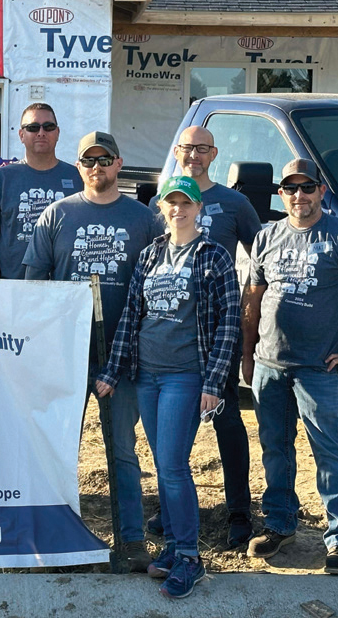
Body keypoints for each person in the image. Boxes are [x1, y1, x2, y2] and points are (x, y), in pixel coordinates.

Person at [97, 175, 240, 599]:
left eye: (186, 203)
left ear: (199, 208)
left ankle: (191, 558)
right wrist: (112, 371)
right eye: (171, 203)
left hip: (185, 376)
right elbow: (131, 317)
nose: (178, 209)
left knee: (175, 466)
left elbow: (229, 325)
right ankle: (175, 545)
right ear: (162, 207)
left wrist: (213, 381)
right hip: (147, 375)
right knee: (163, 465)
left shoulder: (214, 257)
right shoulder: (150, 254)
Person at [23, 131, 157, 573]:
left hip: (120, 358)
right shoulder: (57, 216)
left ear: (119, 164)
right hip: (65, 356)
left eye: (105, 159)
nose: (97, 167)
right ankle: (59, 539)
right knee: (61, 448)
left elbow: (158, 286)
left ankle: (132, 543)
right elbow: (33, 286)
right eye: (88, 160)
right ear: (78, 166)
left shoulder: (144, 220)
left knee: (122, 450)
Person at [242, 158, 338, 575]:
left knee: (329, 452)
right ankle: (280, 523)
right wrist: (247, 355)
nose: (299, 196)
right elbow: (253, 300)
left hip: (317, 368)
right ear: (281, 194)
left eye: (307, 188)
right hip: (269, 364)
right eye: (291, 189)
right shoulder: (267, 236)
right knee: (275, 448)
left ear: (321, 191)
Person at [146, 125, 262, 547]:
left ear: (214, 154)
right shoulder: (163, 201)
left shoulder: (234, 203)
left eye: (202, 149)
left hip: (216, 338)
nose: (193, 155)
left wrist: (249, 311)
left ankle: (239, 511)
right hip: (171, 339)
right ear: (176, 151)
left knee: (227, 420)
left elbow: (260, 258)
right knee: (170, 430)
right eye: (187, 148)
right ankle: (170, 507)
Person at [0, 103, 82, 279]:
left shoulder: (77, 178)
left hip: (64, 288)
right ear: (21, 135)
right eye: (33, 127)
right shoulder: (1, 178)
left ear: (57, 133)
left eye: (48, 127)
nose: (41, 133)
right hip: (14, 288)